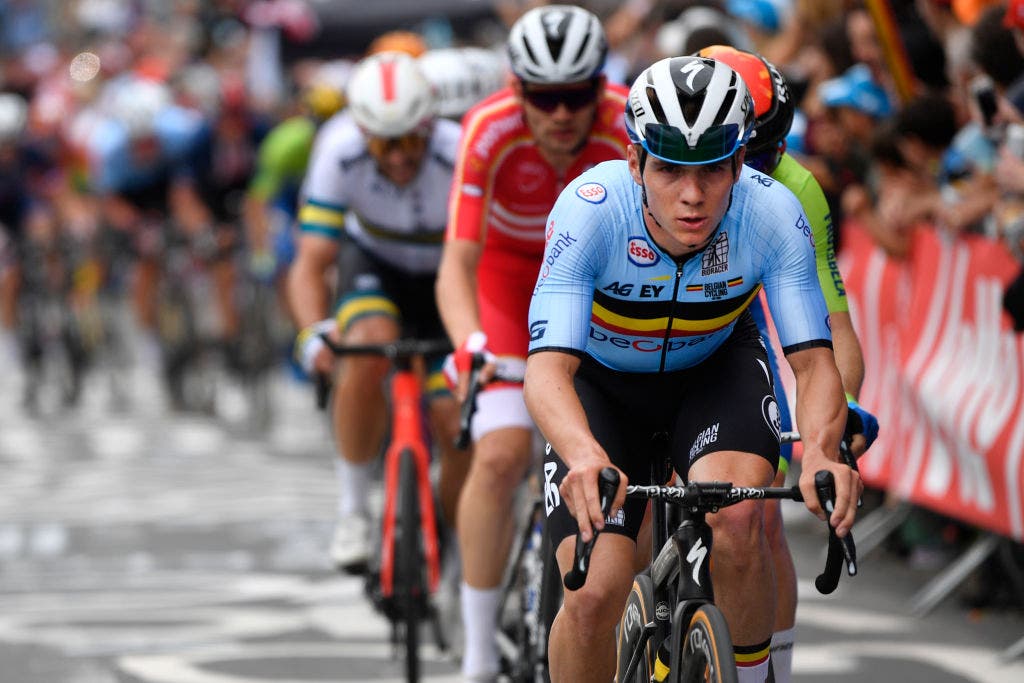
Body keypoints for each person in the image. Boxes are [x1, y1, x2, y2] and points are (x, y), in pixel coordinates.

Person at [523, 56, 862, 683]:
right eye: (670, 168)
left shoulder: (772, 213)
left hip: (713, 371)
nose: (692, 194)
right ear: (635, 163)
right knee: (594, 593)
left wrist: (818, 451)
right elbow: (546, 370)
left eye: (711, 169)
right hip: (603, 387)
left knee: (741, 519)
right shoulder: (589, 211)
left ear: (739, 163)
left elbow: (815, 363)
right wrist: (580, 454)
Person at [434, 5, 632, 680]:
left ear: (600, 87)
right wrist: (469, 345)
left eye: (577, 95)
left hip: (600, 293)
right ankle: (481, 654)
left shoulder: (629, 122)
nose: (560, 114)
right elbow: (458, 262)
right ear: (514, 89)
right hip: (508, 286)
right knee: (500, 455)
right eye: (542, 97)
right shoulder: (488, 129)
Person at [698, 44, 878, 683]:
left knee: (757, 517)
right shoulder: (669, 174)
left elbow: (831, 331)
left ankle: (770, 671)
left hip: (738, 338)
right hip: (654, 340)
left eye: (773, 150)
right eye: (750, 151)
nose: (763, 169)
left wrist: (834, 426)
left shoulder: (796, 190)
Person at [286, 51, 464, 572]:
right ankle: (353, 510)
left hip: (446, 280)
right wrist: (313, 333)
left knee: (455, 419)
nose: (400, 157)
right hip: (375, 267)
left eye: (411, 139)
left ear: (430, 124)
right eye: (385, 143)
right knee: (362, 350)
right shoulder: (337, 148)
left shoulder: (458, 152)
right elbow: (310, 261)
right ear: (362, 131)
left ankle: (455, 542)